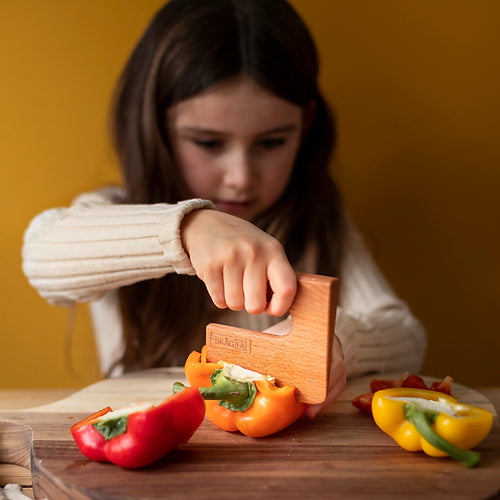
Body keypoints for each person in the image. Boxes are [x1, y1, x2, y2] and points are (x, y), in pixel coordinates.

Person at [22, 0, 426, 417]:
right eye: (208, 143)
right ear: (158, 128)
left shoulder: (318, 221)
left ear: (305, 126)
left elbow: (406, 336)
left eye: (271, 142)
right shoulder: (114, 211)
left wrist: (336, 340)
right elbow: (41, 256)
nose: (240, 177)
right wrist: (186, 230)